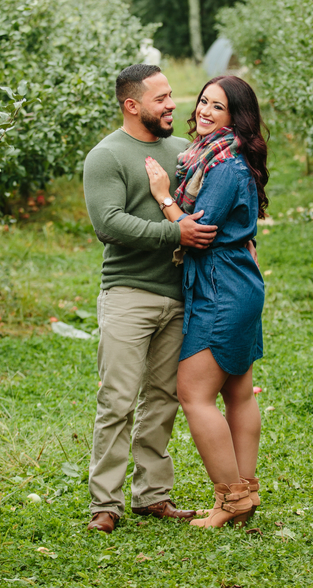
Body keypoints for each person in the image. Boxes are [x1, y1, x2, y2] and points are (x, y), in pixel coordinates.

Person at [83, 63, 218, 533]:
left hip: (179, 295)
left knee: (163, 399)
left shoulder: (182, 150)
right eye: (161, 98)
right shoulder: (106, 156)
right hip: (128, 294)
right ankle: (106, 503)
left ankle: (152, 495)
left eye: (171, 95)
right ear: (131, 104)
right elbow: (109, 225)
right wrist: (173, 232)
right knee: (117, 399)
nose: (172, 105)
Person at [144, 75, 268, 528]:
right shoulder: (211, 158)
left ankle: (232, 498)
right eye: (203, 102)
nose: (205, 111)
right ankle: (245, 491)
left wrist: (162, 197)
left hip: (221, 288)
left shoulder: (225, 166)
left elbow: (199, 231)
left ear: (236, 117)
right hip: (237, 284)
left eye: (218, 107)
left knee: (193, 393)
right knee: (236, 391)